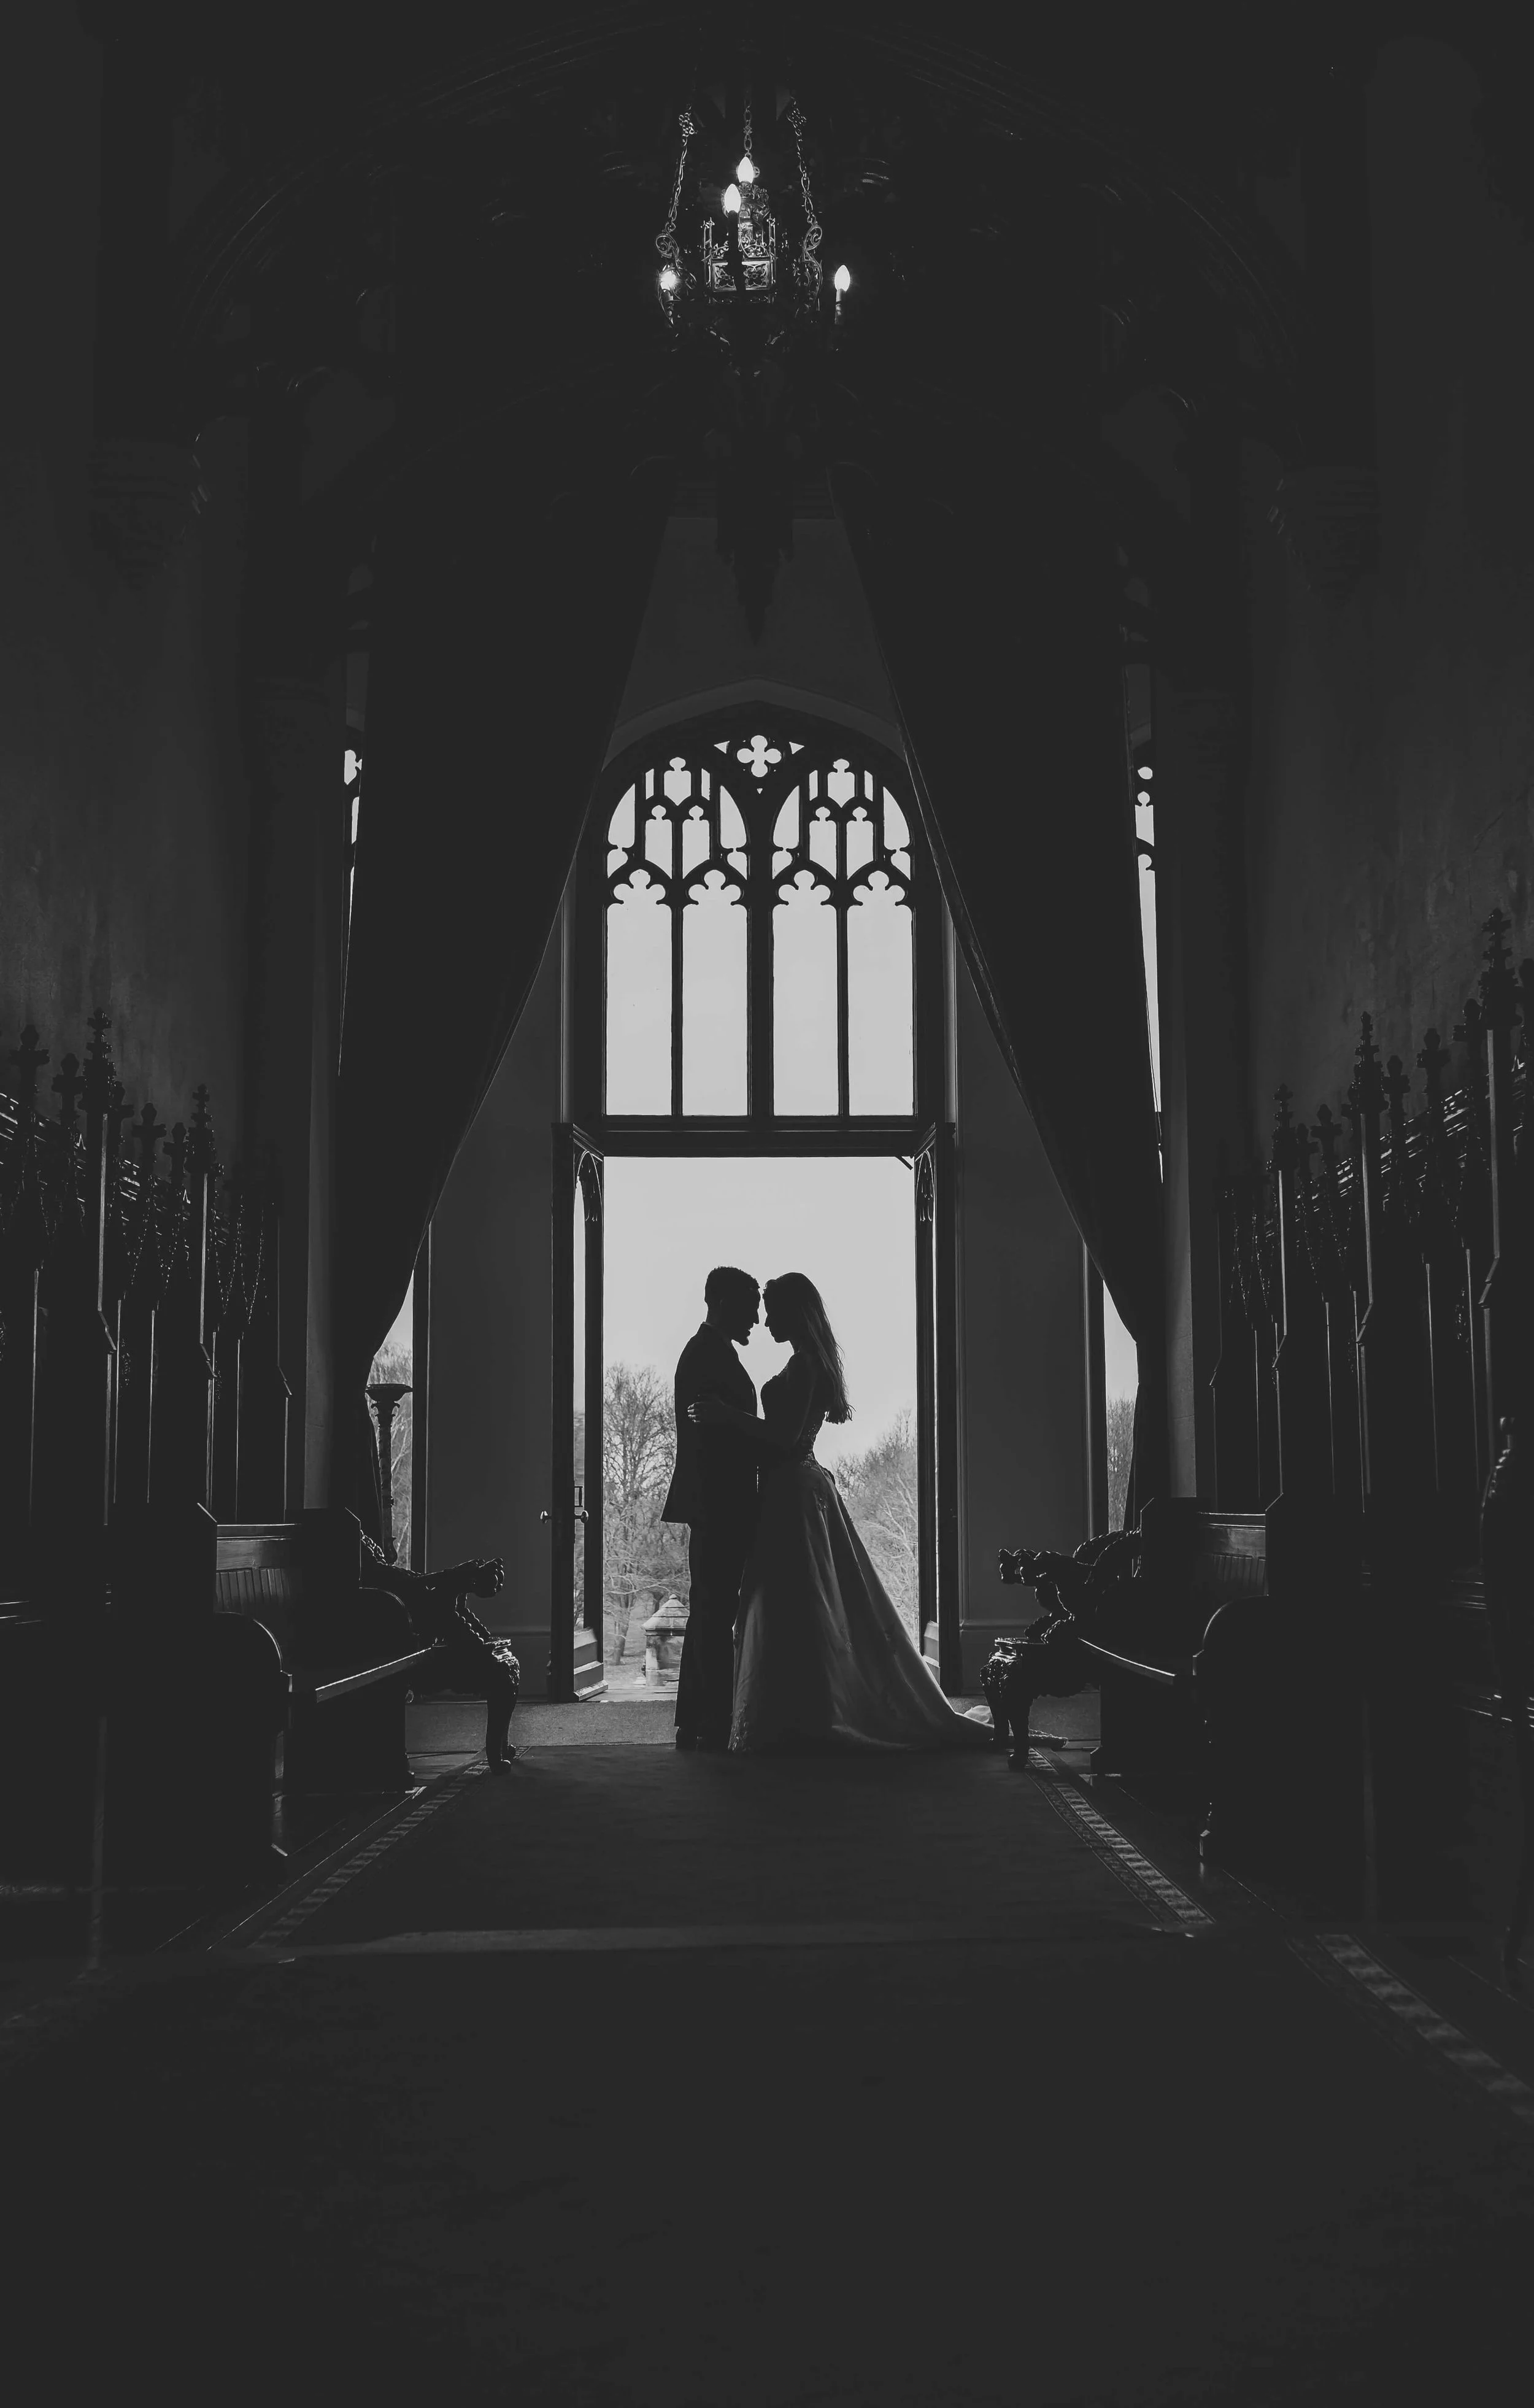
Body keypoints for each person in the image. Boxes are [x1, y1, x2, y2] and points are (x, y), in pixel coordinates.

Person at [691, 1272, 989, 1753]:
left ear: (794, 1312)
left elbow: (785, 1439)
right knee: (793, 1602)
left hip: (793, 1489)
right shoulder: (805, 1362)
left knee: (803, 1602)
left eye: (772, 1311)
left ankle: (810, 1712)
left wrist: (729, 1418)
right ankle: (795, 1709)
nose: (765, 1321)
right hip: (788, 1489)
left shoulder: (807, 1366)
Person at [661, 1265, 763, 1751]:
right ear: (722, 1303)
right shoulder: (706, 1354)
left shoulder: (709, 1351)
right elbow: (716, 1439)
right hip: (720, 1501)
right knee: (712, 1609)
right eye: (750, 1307)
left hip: (719, 1501)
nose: (758, 1319)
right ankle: (710, 1720)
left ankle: (700, 1719)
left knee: (710, 1608)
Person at [358, 1533, 520, 1773]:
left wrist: (458, 1575)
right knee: (442, 1604)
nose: (374, 1545)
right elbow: (417, 1585)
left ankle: (500, 1744)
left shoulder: (384, 1574)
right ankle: (480, 1654)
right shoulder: (376, 1580)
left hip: (416, 1620)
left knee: (447, 1599)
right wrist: (458, 1576)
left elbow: (418, 1581)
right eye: (367, 1544)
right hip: (401, 1635)